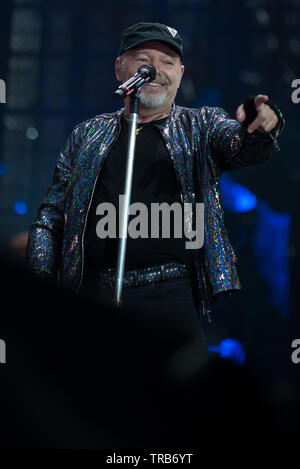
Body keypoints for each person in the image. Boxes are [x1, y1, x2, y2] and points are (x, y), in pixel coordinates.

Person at [25, 22, 285, 341]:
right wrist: (40, 287)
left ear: (180, 74)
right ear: (121, 69)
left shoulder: (201, 126)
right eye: (144, 60)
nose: (157, 70)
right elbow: (51, 220)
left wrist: (261, 124)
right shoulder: (86, 135)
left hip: (170, 293)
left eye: (168, 63)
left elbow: (242, 146)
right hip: (93, 291)